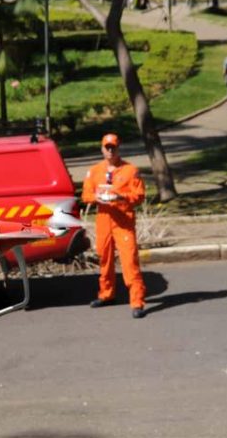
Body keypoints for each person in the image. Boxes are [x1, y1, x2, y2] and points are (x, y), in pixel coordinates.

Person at [81, 133, 147, 319]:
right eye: (107, 147)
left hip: (123, 221)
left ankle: (137, 301)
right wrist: (96, 198)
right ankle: (107, 294)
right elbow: (86, 195)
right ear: (102, 149)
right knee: (104, 258)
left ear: (119, 148)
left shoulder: (130, 170)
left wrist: (121, 197)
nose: (110, 151)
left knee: (129, 262)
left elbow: (139, 196)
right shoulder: (94, 171)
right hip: (104, 219)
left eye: (113, 147)